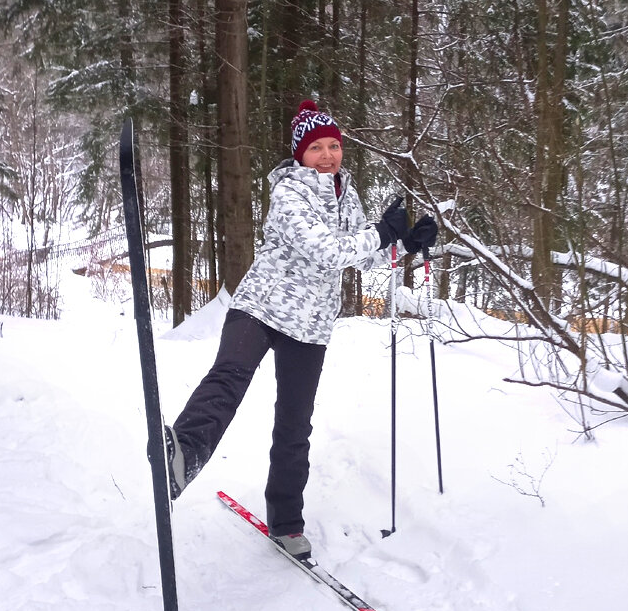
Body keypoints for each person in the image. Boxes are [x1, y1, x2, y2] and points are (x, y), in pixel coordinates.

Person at [164, 100, 437, 559]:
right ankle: (183, 456)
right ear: (299, 153)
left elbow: (361, 256)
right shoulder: (290, 192)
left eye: (334, 145)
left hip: (309, 326)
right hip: (261, 307)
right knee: (229, 374)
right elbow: (328, 251)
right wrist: (380, 233)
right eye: (317, 147)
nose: (328, 155)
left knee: (294, 425)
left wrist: (403, 243)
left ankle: (287, 523)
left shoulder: (345, 194)